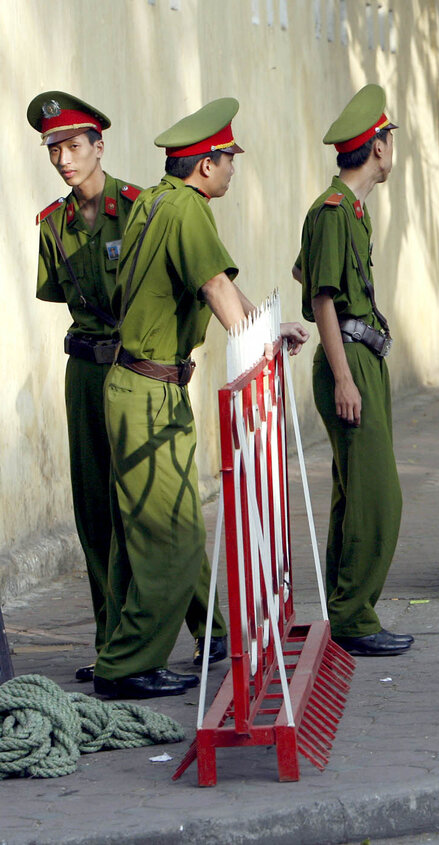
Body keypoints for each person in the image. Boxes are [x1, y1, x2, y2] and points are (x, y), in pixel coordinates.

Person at [93, 99, 309, 699]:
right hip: (149, 392)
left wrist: (268, 330)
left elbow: (217, 284)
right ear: (206, 164)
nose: (233, 169)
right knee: (173, 538)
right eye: (229, 159)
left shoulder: (157, 200)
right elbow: (214, 286)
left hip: (141, 386)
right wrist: (259, 355)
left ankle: (153, 646)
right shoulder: (187, 207)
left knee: (148, 530)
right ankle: (127, 667)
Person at [28, 91, 226, 684]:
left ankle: (210, 628)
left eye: (73, 146)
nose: (63, 159)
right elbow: (63, 297)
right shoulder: (52, 225)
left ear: (99, 146)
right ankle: (112, 640)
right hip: (86, 372)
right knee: (97, 509)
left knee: (157, 509)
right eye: (53, 149)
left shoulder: (141, 207)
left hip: (137, 369)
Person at [293, 85, 411, 658]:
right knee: (378, 498)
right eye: (390, 141)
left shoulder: (348, 210)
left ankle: (346, 611)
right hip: (349, 359)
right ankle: (354, 617)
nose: (391, 151)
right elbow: (319, 295)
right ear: (379, 147)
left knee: (356, 494)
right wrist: (343, 377)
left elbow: (305, 271)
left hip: (362, 354)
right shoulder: (334, 211)